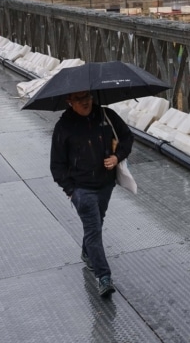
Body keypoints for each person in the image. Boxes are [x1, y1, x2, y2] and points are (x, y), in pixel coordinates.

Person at [50, 91, 133, 297]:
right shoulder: (64, 127)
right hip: (82, 189)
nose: (85, 101)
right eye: (78, 99)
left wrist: (117, 156)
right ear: (69, 102)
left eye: (87, 96)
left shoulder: (106, 116)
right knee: (94, 229)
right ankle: (103, 276)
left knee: (98, 222)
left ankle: (87, 252)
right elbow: (57, 165)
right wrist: (71, 191)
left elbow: (127, 137)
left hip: (105, 184)